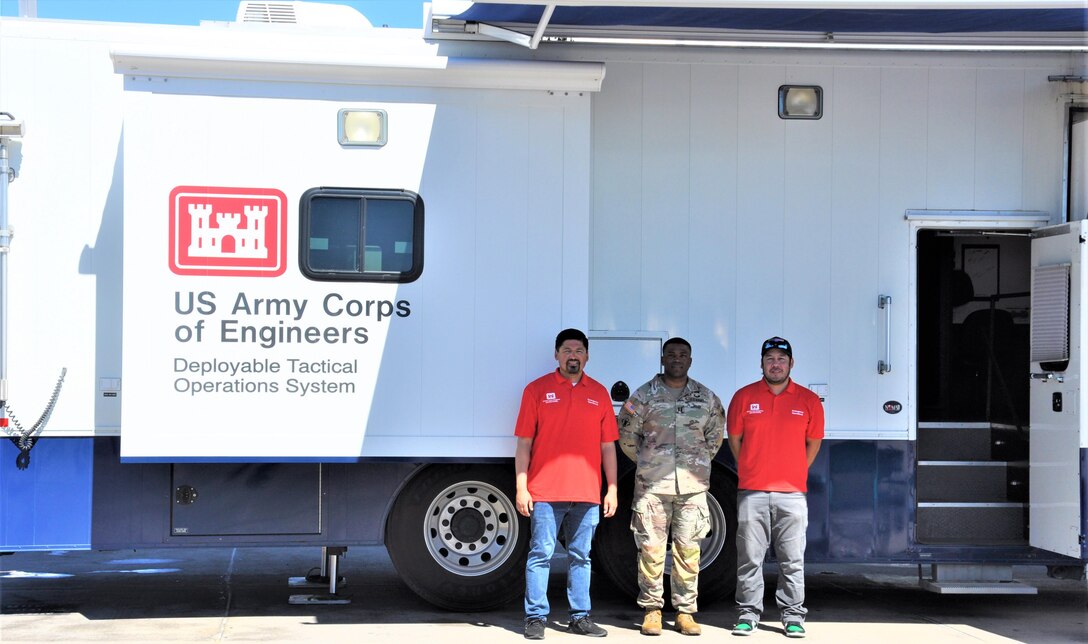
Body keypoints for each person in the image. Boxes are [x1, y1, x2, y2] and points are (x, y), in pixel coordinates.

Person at [515, 328, 619, 640]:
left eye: (578, 350)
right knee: (541, 554)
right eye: (566, 350)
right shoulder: (536, 390)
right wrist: (522, 487)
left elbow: (608, 447)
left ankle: (580, 617)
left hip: (587, 493)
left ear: (587, 356)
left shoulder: (599, 393)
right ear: (556, 355)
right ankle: (535, 617)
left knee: (581, 556)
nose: (572, 356)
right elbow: (523, 444)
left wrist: (611, 488)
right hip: (545, 491)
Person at [618, 337, 725, 637]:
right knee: (651, 551)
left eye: (683, 355)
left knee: (689, 551)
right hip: (653, 486)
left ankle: (685, 612)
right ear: (663, 359)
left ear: (690, 360)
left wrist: (694, 463)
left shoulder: (706, 398)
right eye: (671, 354)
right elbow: (627, 436)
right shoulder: (643, 397)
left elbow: (714, 438)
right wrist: (650, 462)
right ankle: (652, 611)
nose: (677, 359)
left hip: (692, 488)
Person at [726, 337, 824, 639]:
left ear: (791, 363)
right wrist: (753, 469)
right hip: (752, 492)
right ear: (761, 363)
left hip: (792, 494)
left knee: (792, 560)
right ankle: (747, 615)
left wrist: (793, 471)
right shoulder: (743, 397)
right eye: (770, 358)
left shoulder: (808, 400)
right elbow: (735, 441)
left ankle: (793, 617)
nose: (776, 364)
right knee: (749, 559)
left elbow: (813, 444)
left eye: (782, 358)